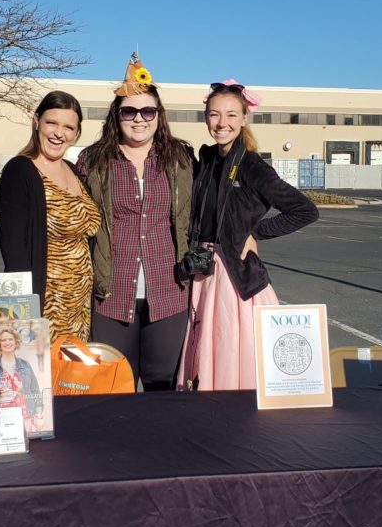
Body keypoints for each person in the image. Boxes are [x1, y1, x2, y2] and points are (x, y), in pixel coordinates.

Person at [178, 79, 318, 391]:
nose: (221, 123)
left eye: (230, 115)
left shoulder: (252, 165)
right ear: (206, 118)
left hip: (235, 279)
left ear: (244, 118)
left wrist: (255, 232)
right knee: (205, 351)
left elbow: (305, 210)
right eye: (214, 115)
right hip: (204, 272)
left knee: (231, 351)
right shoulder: (208, 160)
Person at [79, 55, 194, 392]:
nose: (139, 119)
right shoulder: (94, 160)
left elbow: (207, 208)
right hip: (111, 292)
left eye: (148, 111)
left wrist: (250, 234)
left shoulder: (180, 159)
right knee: (115, 387)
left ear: (159, 116)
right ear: (117, 116)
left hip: (168, 291)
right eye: (129, 111)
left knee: (162, 387)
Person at [0, 91, 101, 340]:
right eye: (51, 123)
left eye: (68, 127)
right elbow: (14, 253)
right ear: (36, 121)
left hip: (79, 304)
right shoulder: (21, 170)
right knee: (46, 376)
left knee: (74, 376)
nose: (58, 133)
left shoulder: (73, 171)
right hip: (45, 305)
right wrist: (26, 314)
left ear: (76, 134)